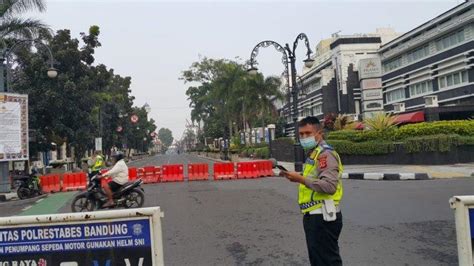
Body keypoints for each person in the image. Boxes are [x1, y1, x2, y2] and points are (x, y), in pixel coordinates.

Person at [279, 116, 344, 266]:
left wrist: (301, 179)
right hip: (315, 216)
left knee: (326, 261)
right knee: (319, 260)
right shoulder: (314, 154)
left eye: (308, 133)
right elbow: (316, 179)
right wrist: (296, 177)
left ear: (319, 133)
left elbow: (329, 186)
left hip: (323, 217)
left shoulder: (325, 154)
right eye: (301, 134)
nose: (304, 137)